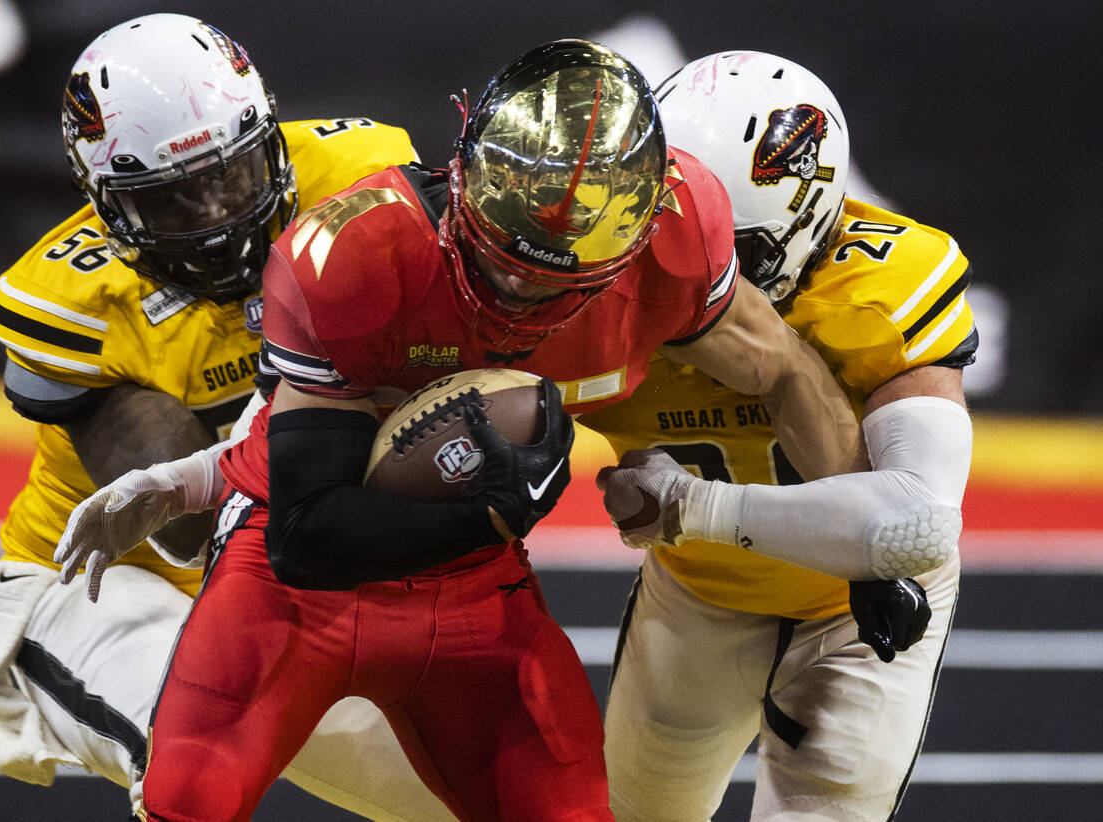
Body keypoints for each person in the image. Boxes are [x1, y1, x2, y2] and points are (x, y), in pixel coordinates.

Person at [56, 39, 864, 821]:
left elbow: (785, 369)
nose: (515, 285)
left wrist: (864, 558)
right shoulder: (361, 252)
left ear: (644, 231)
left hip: (473, 588)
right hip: (289, 586)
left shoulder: (677, 242)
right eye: (498, 255)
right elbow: (305, 535)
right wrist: (492, 509)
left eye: (554, 283)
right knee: (188, 803)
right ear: (466, 171)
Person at [0, 13, 455, 821]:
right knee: (191, 747)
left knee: (470, 794)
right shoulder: (73, 301)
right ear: (106, 203)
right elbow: (192, 526)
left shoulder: (360, 174)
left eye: (230, 175)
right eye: (172, 199)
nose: (217, 215)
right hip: (104, 582)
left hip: (290, 585)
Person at [586, 51, 975, 821]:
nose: (689, 268)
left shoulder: (878, 285)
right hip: (697, 597)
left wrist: (688, 504)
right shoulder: (603, 287)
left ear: (806, 216)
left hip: (856, 611)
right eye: (667, 229)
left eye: (726, 243)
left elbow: (916, 522)